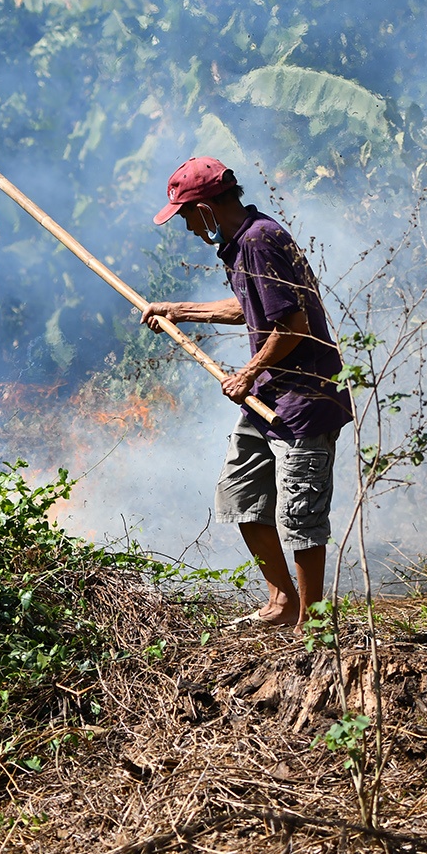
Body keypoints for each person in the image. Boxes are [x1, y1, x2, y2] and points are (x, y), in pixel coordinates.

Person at [141, 157, 351, 629]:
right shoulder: (243, 242)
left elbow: (293, 325)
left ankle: (312, 625)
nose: (188, 227)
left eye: (188, 215)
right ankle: (282, 602)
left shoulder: (259, 240)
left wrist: (247, 371)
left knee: (300, 515)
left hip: (302, 401)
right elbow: (250, 308)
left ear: (210, 207)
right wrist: (180, 310)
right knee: (241, 495)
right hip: (268, 396)